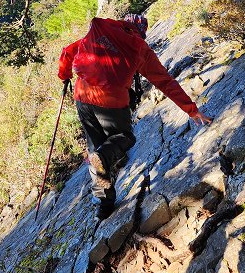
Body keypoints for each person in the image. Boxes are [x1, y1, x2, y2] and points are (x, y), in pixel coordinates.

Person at [58, 13, 212, 220]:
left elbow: (67, 52)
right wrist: (191, 109)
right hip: (111, 100)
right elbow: (165, 81)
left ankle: (104, 205)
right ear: (142, 32)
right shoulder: (140, 49)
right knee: (124, 137)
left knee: (96, 146)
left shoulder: (101, 32)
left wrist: (64, 75)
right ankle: (102, 157)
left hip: (82, 96)